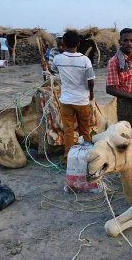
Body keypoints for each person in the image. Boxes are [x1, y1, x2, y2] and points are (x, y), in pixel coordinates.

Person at [51, 30, 95, 167]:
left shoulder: (58, 59)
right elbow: (91, 80)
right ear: (78, 43)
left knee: (68, 131)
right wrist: (91, 92)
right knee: (85, 130)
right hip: (82, 101)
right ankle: (87, 158)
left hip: (66, 101)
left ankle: (67, 160)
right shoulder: (85, 60)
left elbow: (53, 70)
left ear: (63, 43)